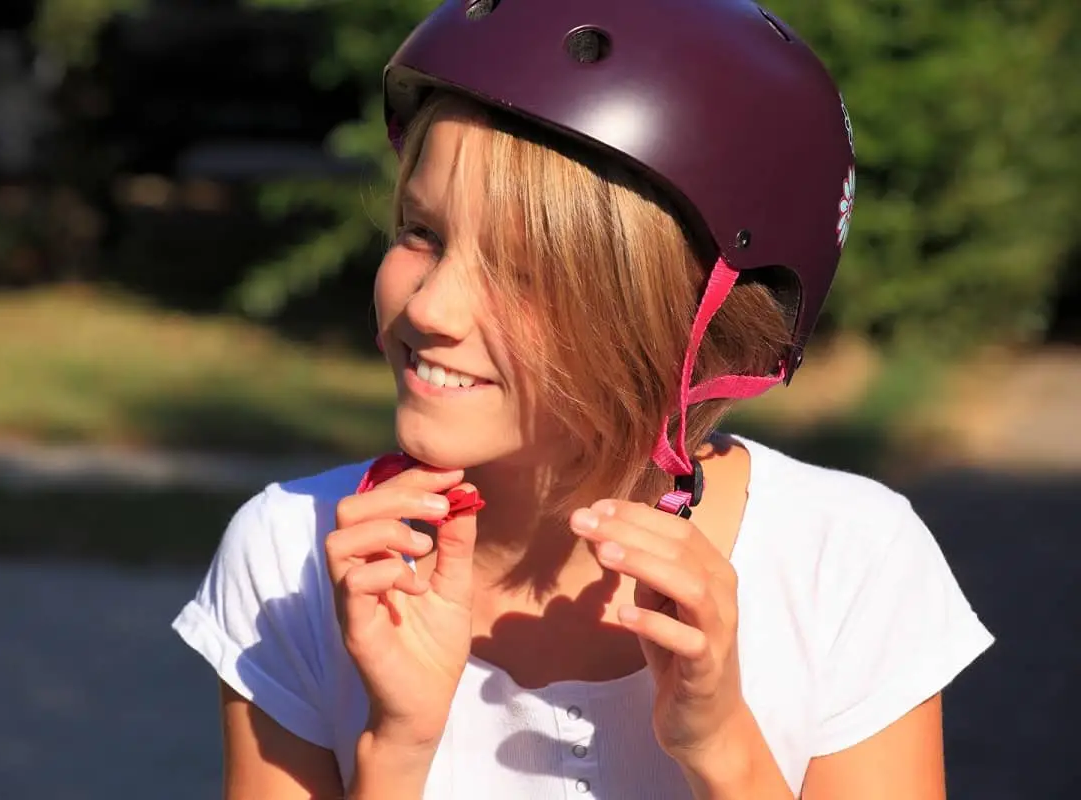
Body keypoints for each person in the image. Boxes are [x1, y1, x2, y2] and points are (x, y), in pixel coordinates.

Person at [172, 1, 993, 797]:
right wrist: (395, 750)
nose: (429, 309)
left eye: (524, 274)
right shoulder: (295, 560)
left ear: (691, 328)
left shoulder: (844, 564)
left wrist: (722, 749)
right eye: (421, 233)